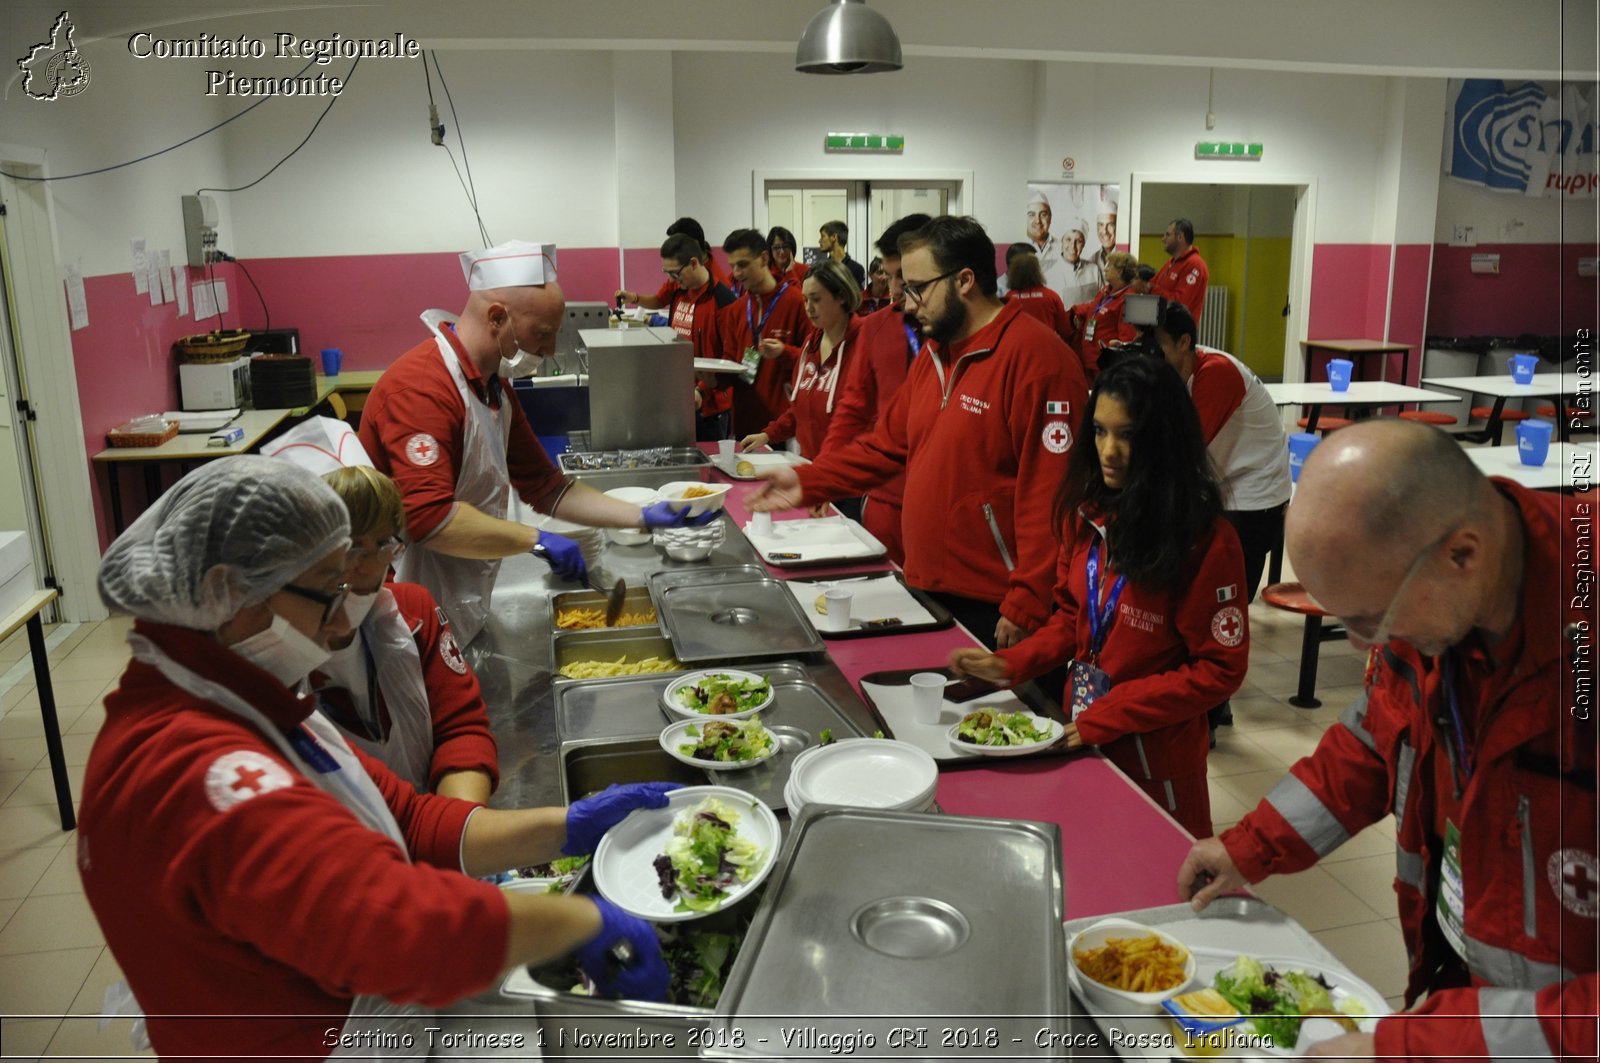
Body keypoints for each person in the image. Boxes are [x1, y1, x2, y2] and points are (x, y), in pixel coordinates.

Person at [81, 456, 678, 1057]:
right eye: (326, 590)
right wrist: (582, 926)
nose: (343, 619)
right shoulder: (193, 766)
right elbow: (390, 931)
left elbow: (410, 819)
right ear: (229, 592)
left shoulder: (250, 701)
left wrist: (566, 827)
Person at [1176, 419, 1596, 1062]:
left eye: (1371, 618)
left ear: (1463, 554)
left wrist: (1413, 1048)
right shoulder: (1441, 600)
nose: (1366, 644)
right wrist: (1250, 845)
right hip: (1471, 1004)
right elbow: (1375, 741)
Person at [749, 215, 1090, 650]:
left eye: (917, 288)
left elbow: (1051, 495)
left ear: (965, 280)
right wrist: (809, 481)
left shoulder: (1039, 362)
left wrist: (1027, 600)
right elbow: (885, 447)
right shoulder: (935, 354)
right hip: (929, 582)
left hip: (998, 603)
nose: (906, 303)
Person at [948, 357, 1247, 837]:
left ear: (1162, 441)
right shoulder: (1087, 513)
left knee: (1160, 886)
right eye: (1100, 432)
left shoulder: (1204, 541)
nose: (1109, 451)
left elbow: (1219, 670)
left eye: (1127, 436)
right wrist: (1012, 664)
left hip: (1157, 760)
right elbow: (1072, 617)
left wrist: (1113, 713)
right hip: (1084, 732)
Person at [359, 240, 710, 643]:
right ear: (496, 317)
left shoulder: (495, 391)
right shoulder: (422, 389)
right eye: (542, 334)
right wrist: (536, 540)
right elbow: (429, 518)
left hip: (457, 600)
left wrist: (642, 516)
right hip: (399, 614)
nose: (548, 350)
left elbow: (546, 486)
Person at [264, 417, 498, 803]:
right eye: (349, 545)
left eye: (382, 542)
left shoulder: (412, 611)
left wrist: (456, 827)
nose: (370, 566)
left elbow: (460, 730)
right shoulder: (268, 660)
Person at [1154, 303, 1290, 603]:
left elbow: (1184, 448)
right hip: (1223, 486)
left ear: (1184, 342)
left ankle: (1227, 647)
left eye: (1157, 345)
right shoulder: (1177, 373)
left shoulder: (1216, 373)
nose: (1150, 355)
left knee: (1226, 601)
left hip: (1253, 499)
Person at [819, 212, 932, 565]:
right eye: (889, 274)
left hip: (941, 504)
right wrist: (824, 477)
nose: (896, 287)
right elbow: (851, 410)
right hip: (885, 498)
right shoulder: (875, 328)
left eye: (906, 276)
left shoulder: (957, 334)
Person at [740, 259, 864, 460]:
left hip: (850, 476)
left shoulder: (865, 344)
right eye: (805, 300)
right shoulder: (810, 344)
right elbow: (800, 409)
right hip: (812, 468)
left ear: (841, 296)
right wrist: (768, 435)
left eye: (816, 299)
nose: (808, 308)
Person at [718, 228, 810, 437]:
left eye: (743, 265)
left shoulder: (797, 303)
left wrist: (783, 352)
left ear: (763, 258)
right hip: (745, 426)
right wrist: (710, 381)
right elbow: (730, 360)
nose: (736, 273)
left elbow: (815, 361)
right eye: (732, 266)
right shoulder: (736, 310)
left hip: (784, 429)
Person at [654, 232, 738, 441]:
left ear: (693, 263)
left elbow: (731, 356)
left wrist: (701, 391)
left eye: (675, 274)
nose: (672, 280)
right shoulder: (679, 294)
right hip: (681, 400)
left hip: (710, 408)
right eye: (667, 274)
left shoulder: (722, 300)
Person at [614, 216, 728, 308]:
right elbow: (659, 300)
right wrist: (634, 298)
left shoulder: (720, 289)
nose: (673, 279)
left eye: (678, 243)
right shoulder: (679, 272)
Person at [1070, 250, 1138, 379]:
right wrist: (1076, 313)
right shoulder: (1106, 291)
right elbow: (1093, 308)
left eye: (1109, 265)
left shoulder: (1128, 299)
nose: (1105, 269)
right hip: (1089, 359)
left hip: (1107, 365)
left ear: (1120, 271)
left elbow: (1126, 339)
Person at [1003, 247, 1075, 344]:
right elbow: (1065, 331)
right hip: (1046, 350)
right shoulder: (1051, 296)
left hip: (1018, 350)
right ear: (1037, 272)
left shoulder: (1008, 299)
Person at [1151, 217, 1210, 324]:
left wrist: (1152, 289)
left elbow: (1181, 303)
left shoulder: (1195, 265)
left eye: (1167, 235)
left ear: (1180, 237)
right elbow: (1153, 284)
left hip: (1178, 333)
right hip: (1163, 329)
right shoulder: (1171, 263)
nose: (1163, 239)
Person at [1024, 190, 1068, 294]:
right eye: (1031, 215)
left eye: (1043, 214)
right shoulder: (1019, 249)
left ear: (1050, 218)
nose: (1038, 220)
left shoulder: (1063, 247)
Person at [1057, 220, 1103, 307]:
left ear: (1083, 245)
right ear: (1061, 242)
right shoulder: (1050, 274)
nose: (1072, 246)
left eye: (1078, 241)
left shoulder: (1094, 270)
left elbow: (1102, 302)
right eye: (1068, 239)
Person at [817, 219, 867, 287]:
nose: (819, 241)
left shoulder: (856, 269)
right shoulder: (821, 268)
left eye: (823, 236)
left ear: (834, 237)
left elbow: (858, 296)